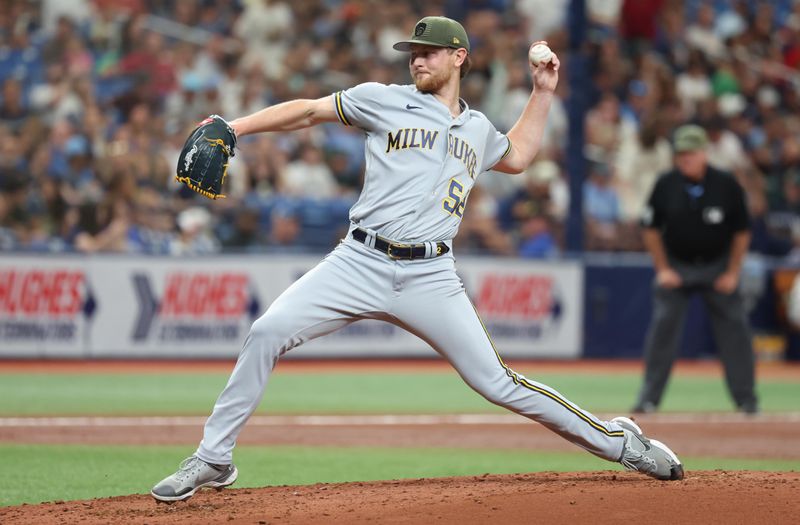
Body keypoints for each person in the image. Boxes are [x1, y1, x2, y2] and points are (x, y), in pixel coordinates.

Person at [151, 16, 684, 503]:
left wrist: (543, 92)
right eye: (413, 52)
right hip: (358, 262)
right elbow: (309, 111)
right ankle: (213, 459)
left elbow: (518, 156)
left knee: (496, 382)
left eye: (429, 51)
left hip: (431, 273)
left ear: (458, 58)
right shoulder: (381, 99)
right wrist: (236, 127)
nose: (417, 59)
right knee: (267, 332)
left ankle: (619, 444)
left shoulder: (477, 129)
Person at [633, 124, 758, 414]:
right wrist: (663, 268)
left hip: (717, 266)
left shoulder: (726, 184)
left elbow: (741, 231)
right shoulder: (666, 183)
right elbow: (650, 228)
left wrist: (732, 272)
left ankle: (747, 400)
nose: (685, 159)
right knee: (663, 329)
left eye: (690, 153)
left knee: (735, 331)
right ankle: (648, 399)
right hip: (678, 266)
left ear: (704, 153)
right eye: (681, 154)